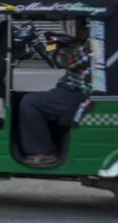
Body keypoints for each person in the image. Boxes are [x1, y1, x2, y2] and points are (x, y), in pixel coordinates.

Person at [15, 35, 91, 168]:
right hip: (72, 91)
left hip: (79, 94)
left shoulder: (97, 39)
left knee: (30, 102)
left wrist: (75, 45)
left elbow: (71, 61)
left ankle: (43, 153)